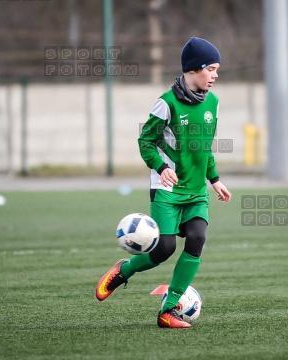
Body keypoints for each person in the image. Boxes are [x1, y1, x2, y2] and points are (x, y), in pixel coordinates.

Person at [96, 37, 232, 328]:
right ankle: (124, 270)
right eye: (211, 68)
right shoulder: (166, 103)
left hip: (196, 192)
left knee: (197, 238)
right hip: (167, 190)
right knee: (163, 250)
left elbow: (204, 147)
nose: (216, 75)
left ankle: (168, 310)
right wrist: (161, 166)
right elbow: (146, 141)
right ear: (194, 69)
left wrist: (215, 180)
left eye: (218, 69)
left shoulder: (214, 103)